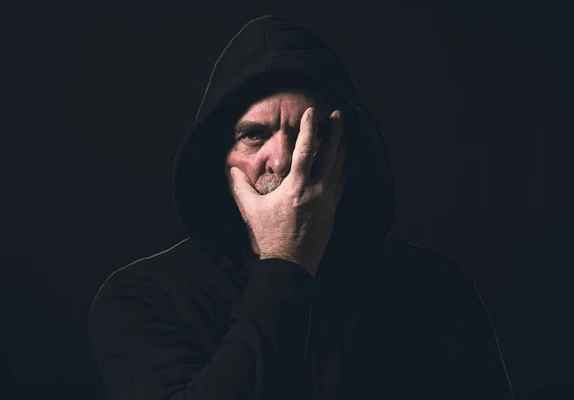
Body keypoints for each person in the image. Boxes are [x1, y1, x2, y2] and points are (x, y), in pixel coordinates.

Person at [88, 15, 514, 400]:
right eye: (254, 136)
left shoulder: (436, 291)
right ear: (219, 158)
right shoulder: (144, 299)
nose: (284, 159)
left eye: (311, 134)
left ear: (347, 151)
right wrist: (286, 260)